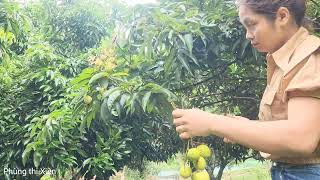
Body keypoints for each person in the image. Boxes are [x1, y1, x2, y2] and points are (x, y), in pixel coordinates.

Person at [172, 0, 320, 179]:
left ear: (282, 16)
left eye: (251, 24)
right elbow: (295, 126)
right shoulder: (286, 61)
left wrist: (212, 122)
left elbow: (301, 139)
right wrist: (244, 127)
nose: (248, 35)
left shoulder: (308, 58)